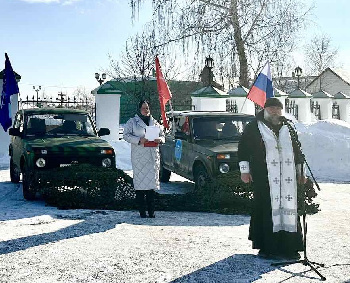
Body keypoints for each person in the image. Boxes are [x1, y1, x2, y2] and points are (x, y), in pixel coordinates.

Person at [238, 97, 305, 260]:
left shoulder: (288, 127)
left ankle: (290, 248)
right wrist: (244, 171)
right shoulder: (254, 126)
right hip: (264, 176)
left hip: (287, 179)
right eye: (271, 108)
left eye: (277, 108)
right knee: (266, 210)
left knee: (288, 211)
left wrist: (301, 172)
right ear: (265, 109)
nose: (275, 111)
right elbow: (243, 149)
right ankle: (268, 248)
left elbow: (298, 152)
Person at [123, 100, 165, 218]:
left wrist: (160, 140)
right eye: (143, 108)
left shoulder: (155, 122)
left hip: (152, 156)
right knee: (141, 186)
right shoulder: (132, 122)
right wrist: (138, 140)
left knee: (151, 186)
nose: (146, 110)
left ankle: (152, 212)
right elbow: (126, 135)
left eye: (147, 108)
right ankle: (142, 212)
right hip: (140, 157)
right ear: (139, 109)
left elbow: (162, 135)